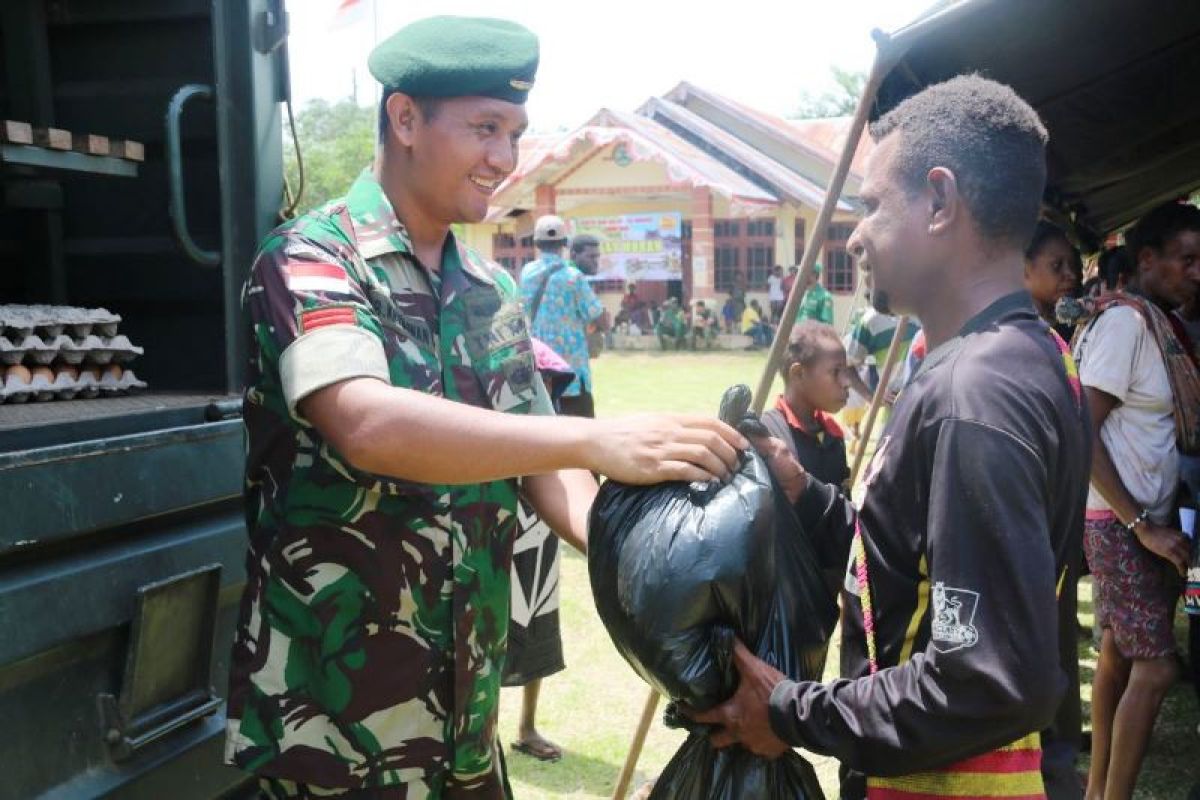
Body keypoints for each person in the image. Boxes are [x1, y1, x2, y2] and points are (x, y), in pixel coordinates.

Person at [228, 16, 749, 799]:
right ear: (405, 119)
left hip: (464, 723)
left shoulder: (491, 292)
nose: (503, 159)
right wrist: (594, 438)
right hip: (328, 729)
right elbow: (366, 423)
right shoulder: (311, 260)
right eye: (485, 129)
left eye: (515, 133)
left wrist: (657, 560)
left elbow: (549, 469)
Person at [685, 74, 1091, 800]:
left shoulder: (975, 394)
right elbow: (922, 565)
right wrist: (804, 490)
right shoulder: (1032, 356)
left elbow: (989, 677)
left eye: (870, 205)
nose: (855, 234)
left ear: (938, 201)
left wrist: (790, 709)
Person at [1072, 200, 1200, 800]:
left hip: (1136, 517)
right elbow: (1081, 430)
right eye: (1186, 260)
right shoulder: (1126, 324)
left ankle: (1098, 792)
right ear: (1146, 261)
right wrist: (1141, 524)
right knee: (1157, 667)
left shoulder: (1153, 321)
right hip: (1121, 521)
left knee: (1121, 653)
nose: (1197, 272)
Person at [503, 339, 573, 763]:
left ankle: (526, 726)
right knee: (493, 630)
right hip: (499, 525)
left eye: (546, 382)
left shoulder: (549, 417)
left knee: (538, 622)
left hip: (541, 530)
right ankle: (483, 728)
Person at [520, 217, 608, 419]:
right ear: (565, 245)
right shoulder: (573, 277)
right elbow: (600, 318)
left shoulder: (526, 273)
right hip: (571, 375)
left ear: (536, 243)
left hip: (541, 371)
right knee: (582, 435)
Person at [760, 321, 851, 489]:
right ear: (799, 373)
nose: (846, 382)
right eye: (836, 371)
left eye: (846, 371)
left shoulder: (833, 433)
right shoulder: (767, 436)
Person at [1024, 219, 1080, 339]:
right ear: (1025, 270)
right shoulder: (1015, 334)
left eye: (1072, 265)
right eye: (1056, 266)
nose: (1071, 275)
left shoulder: (1067, 327)